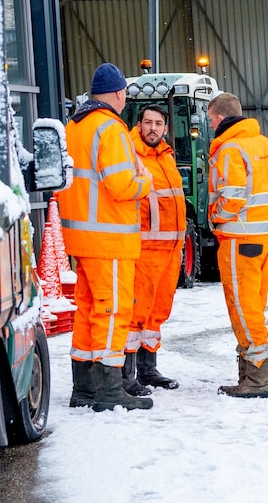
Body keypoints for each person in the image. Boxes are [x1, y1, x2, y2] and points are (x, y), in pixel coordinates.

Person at [58, 62, 154, 411]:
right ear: (118, 93)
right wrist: (146, 182)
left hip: (82, 239)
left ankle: (84, 388)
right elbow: (121, 185)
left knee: (87, 311)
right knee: (113, 311)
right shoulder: (111, 130)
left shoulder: (75, 126)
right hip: (109, 239)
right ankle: (110, 390)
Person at [207, 93, 268, 398]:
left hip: (237, 240)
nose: (210, 125)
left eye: (210, 120)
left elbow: (231, 198)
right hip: (265, 240)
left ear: (218, 118)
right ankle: (251, 374)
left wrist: (215, 218)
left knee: (245, 312)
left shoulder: (230, 149)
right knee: (253, 307)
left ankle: (257, 379)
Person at [123, 104, 186, 395]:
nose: (153, 128)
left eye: (158, 123)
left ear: (164, 128)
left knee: (157, 312)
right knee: (136, 312)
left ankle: (148, 369)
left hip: (170, 249)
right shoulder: (131, 154)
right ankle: (127, 374)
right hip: (144, 248)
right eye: (148, 122)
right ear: (139, 125)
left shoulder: (165, 156)